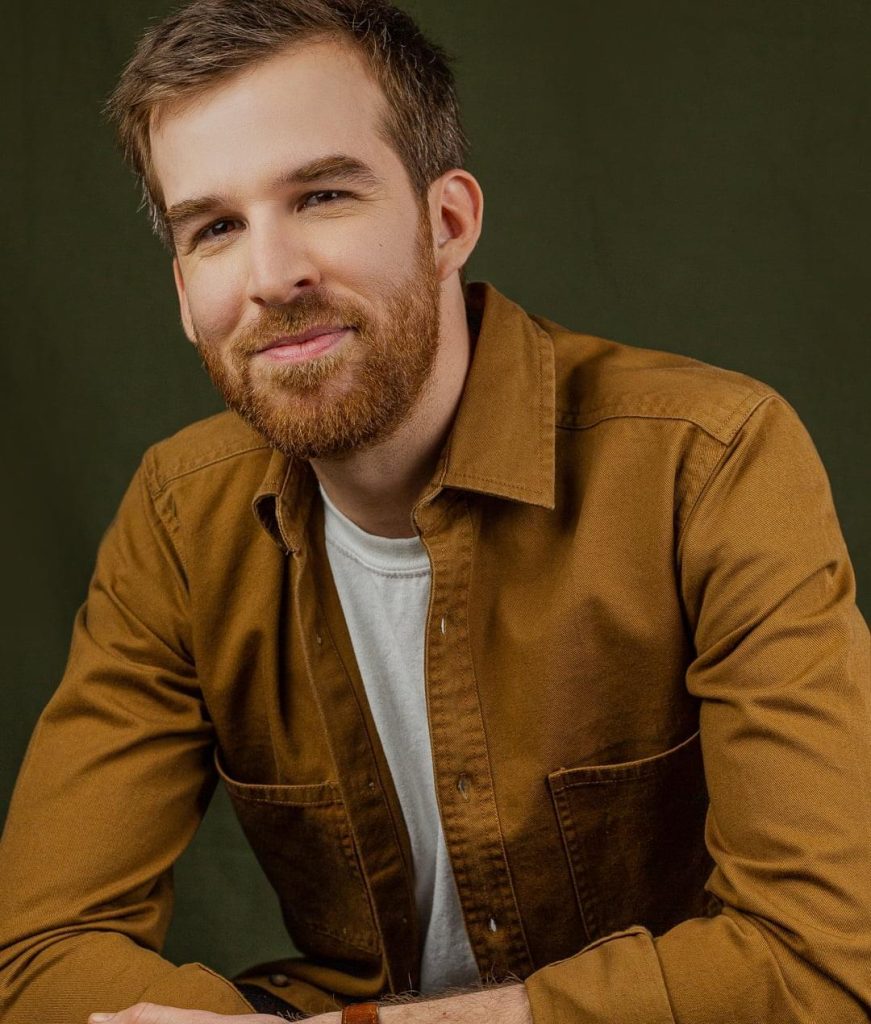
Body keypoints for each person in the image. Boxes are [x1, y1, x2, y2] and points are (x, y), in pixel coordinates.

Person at [0, 1, 869, 1022]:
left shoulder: (709, 459)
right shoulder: (178, 520)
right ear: (185, 292)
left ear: (446, 222)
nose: (272, 276)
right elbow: (39, 949)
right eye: (215, 228)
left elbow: (820, 958)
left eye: (322, 194)